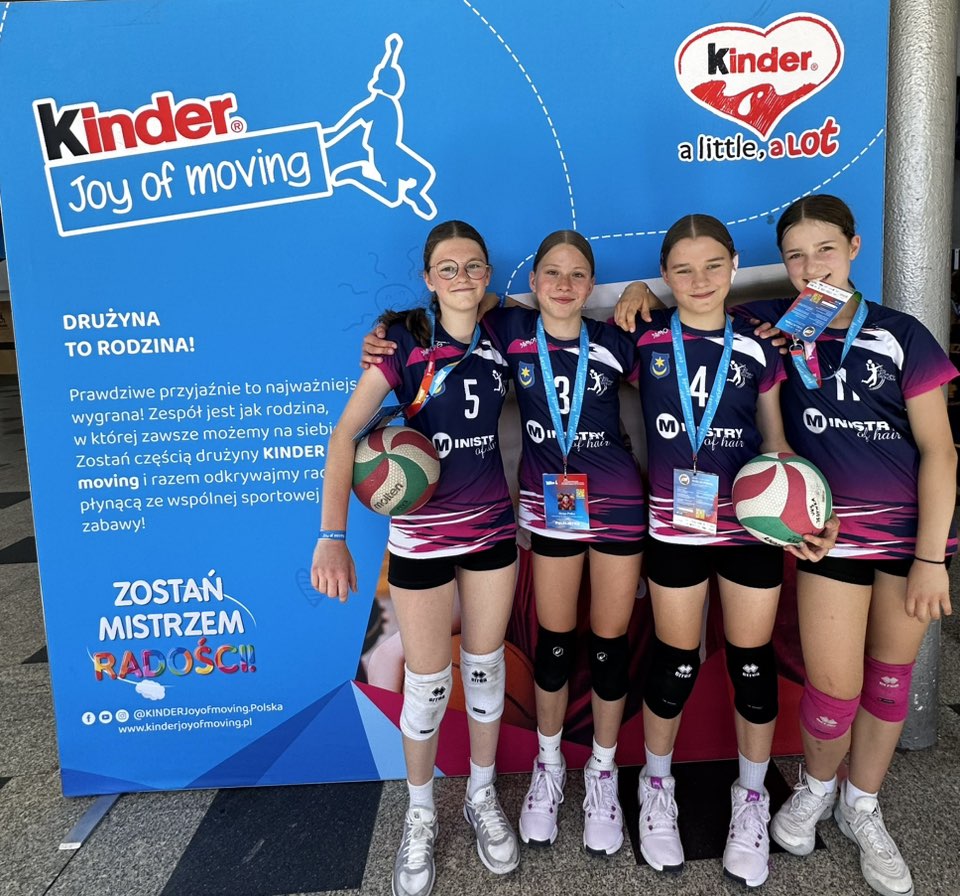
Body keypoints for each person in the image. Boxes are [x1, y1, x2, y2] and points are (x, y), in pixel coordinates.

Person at [617, 196, 955, 896]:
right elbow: (695, 308)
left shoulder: (899, 333)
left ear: (854, 247)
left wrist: (932, 558)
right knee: (834, 687)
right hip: (822, 538)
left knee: (888, 682)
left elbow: (941, 451)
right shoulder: (769, 327)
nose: (811, 267)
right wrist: (641, 294)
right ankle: (810, 790)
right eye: (796, 256)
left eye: (825, 250)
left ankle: (860, 806)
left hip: (905, 539)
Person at [364, 230, 647, 857]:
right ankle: (548, 766)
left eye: (578, 274)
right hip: (549, 510)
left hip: (619, 505)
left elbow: (682, 357)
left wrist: (641, 293)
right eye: (552, 273)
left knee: (609, 647)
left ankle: (602, 772)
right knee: (552, 646)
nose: (565, 285)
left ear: (592, 283)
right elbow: (462, 300)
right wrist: (393, 330)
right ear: (532, 282)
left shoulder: (614, 341)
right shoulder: (510, 331)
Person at [623, 215, 836, 888]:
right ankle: (656, 787)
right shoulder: (644, 336)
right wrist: (631, 291)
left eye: (713, 265)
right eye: (682, 269)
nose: (699, 280)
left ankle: (751, 800)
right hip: (675, 530)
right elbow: (551, 327)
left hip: (748, 530)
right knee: (675, 663)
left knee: (751, 664)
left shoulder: (757, 343)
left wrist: (806, 508)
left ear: (735, 264)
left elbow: (776, 442)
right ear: (664, 274)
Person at [312, 220, 519, 896]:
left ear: (487, 274)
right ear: (429, 278)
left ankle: (481, 795)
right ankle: (421, 812)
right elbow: (345, 435)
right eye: (447, 267)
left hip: (491, 533)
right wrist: (332, 536)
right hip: (422, 539)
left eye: (473, 265)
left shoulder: (505, 334)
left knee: (484, 671)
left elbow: (569, 306)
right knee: (428, 684)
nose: (462, 276)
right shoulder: (400, 342)